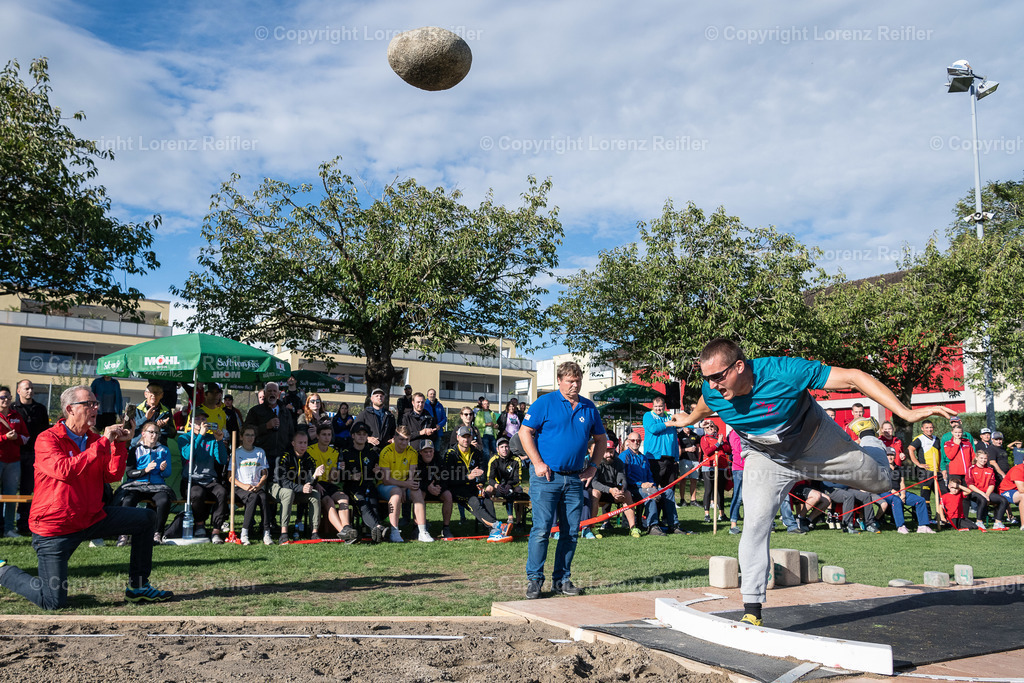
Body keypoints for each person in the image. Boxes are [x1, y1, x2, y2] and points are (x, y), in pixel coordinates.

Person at [668, 338, 954, 626]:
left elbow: (854, 377)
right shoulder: (713, 389)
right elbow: (705, 404)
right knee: (754, 523)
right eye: (707, 379)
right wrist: (688, 418)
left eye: (718, 377)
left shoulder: (784, 371)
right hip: (766, 457)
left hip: (818, 445)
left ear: (740, 366)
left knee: (881, 483)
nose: (713, 385)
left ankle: (869, 438)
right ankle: (752, 609)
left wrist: (905, 412)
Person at [0, 385, 172, 608]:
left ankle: (138, 587)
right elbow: (65, 471)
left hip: (90, 517)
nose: (95, 408)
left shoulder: (92, 439)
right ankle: (4, 572)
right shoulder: (47, 438)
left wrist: (119, 445)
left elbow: (111, 475)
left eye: (96, 403)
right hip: (55, 527)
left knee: (146, 518)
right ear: (70, 409)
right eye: (89, 404)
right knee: (52, 602)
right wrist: (103, 442)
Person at [520, 361, 606, 599]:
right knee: (541, 529)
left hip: (575, 479)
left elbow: (601, 439)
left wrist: (593, 468)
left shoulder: (589, 407)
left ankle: (562, 580)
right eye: (570, 380)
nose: (575, 384)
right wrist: (537, 462)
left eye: (578, 380)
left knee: (570, 532)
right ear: (559, 381)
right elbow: (524, 431)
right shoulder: (544, 403)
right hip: (546, 478)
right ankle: (535, 580)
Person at [441, 426, 510, 542]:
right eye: (463, 437)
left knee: (486, 497)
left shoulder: (476, 452)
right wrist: (468, 477)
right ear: (458, 438)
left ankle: (493, 532)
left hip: (473, 487)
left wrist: (480, 485)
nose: (466, 440)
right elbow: (448, 479)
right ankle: (497, 525)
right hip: (456, 489)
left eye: (468, 437)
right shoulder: (450, 454)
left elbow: (481, 472)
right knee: (474, 501)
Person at [117, 421, 174, 545]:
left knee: (164, 500)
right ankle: (124, 534)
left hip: (157, 485)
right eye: (151, 432)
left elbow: (167, 474)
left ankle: (157, 533)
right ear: (143, 434)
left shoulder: (164, 450)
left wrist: (163, 470)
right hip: (137, 484)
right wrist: (145, 470)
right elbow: (130, 473)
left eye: (157, 433)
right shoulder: (135, 449)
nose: (154, 435)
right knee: (127, 500)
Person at [177, 408, 229, 544]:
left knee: (222, 492)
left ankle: (216, 531)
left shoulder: (211, 438)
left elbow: (222, 460)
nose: (202, 421)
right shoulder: (184, 438)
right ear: (191, 422)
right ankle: (200, 524)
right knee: (197, 494)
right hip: (190, 480)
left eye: (204, 419)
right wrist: (199, 436)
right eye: (198, 419)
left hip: (209, 479)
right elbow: (188, 455)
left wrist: (219, 441)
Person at [377, 426, 433, 543]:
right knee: (396, 493)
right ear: (395, 438)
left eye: (407, 439)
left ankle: (422, 531)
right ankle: (394, 531)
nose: (404, 442)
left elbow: (411, 477)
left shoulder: (412, 452)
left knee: (416, 491)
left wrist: (405, 486)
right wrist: (403, 486)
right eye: (401, 439)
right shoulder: (386, 452)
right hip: (385, 486)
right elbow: (386, 480)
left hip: (404, 485)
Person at [338, 422, 388, 543]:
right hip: (352, 488)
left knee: (374, 506)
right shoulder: (345, 453)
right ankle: (379, 528)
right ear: (353, 436)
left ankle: (375, 534)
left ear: (367, 437)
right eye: (358, 434)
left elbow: (380, 475)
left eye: (364, 434)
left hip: (369, 486)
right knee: (363, 505)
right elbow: (338, 476)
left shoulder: (372, 453)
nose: (361, 436)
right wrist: (350, 476)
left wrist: (378, 472)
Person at [308, 423, 358, 541]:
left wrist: (339, 470)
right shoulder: (310, 450)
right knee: (328, 501)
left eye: (329, 435)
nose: (327, 437)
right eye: (324, 435)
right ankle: (342, 532)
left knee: (344, 498)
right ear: (318, 436)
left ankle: (347, 527)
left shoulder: (334, 452)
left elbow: (332, 479)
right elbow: (306, 474)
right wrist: (316, 484)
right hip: (314, 483)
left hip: (327, 484)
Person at [271, 431, 324, 543]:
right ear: (293, 443)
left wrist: (315, 477)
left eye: (305, 443)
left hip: (297, 490)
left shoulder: (308, 458)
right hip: (277, 487)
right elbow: (282, 482)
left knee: (315, 494)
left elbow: (310, 483)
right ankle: (284, 533)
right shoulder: (285, 457)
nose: (303, 445)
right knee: (288, 493)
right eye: (300, 443)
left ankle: (314, 532)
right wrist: (301, 488)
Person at [14, 380, 50, 535]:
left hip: (34, 454)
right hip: (14, 454)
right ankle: (6, 523)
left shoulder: (40, 409)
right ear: (18, 391)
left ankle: (24, 523)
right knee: (9, 489)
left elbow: (45, 431)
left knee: (28, 489)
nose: (30, 391)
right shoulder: (13, 409)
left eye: (31, 388)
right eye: (26, 388)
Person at [589, 433, 640, 538]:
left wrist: (621, 489)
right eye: (606, 452)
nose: (608, 455)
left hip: (614, 491)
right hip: (600, 491)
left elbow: (622, 479)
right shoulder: (596, 462)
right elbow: (594, 483)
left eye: (611, 452)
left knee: (627, 494)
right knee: (595, 493)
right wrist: (609, 490)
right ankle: (592, 527)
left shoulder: (618, 462)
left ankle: (632, 527)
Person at [230, 425, 273, 545]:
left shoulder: (260, 452)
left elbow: (265, 473)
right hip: (240, 487)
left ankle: (266, 533)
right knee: (252, 497)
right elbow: (230, 476)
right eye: (247, 435)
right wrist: (243, 486)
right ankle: (244, 533)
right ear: (241, 437)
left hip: (256, 486)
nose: (250, 437)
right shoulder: (237, 452)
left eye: (252, 435)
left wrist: (259, 485)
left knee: (263, 497)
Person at [641, 397, 680, 531]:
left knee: (669, 490)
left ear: (665, 406)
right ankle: (652, 520)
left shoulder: (669, 417)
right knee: (654, 490)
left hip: (670, 458)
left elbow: (680, 429)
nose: (659, 409)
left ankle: (668, 520)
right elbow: (653, 429)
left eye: (661, 406)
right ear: (653, 406)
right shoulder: (648, 415)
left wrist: (676, 457)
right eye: (656, 406)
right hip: (654, 459)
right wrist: (668, 424)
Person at [0, 387, 30, 537]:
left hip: (13, 462)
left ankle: (9, 529)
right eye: (2, 397)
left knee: (11, 496)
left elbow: (25, 437)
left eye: (7, 397)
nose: (5, 400)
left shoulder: (17, 416)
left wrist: (16, 438)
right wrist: (5, 438)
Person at [884, 446, 935, 534]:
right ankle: (901, 526)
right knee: (896, 500)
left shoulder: (899, 468)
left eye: (892, 455)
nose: (890, 457)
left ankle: (923, 526)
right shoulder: (882, 468)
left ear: (895, 456)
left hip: (899, 492)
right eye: (888, 455)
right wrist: (893, 492)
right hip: (886, 492)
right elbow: (882, 484)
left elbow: (902, 483)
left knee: (920, 500)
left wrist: (903, 494)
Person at [245, 381, 295, 467]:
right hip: (261, 456)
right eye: (269, 391)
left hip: (281, 456)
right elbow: (246, 432)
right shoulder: (255, 411)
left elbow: (291, 433)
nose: (272, 393)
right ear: (264, 394)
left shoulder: (286, 412)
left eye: (274, 391)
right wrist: (266, 426)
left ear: (278, 394)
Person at [487, 437, 530, 533]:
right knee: (488, 489)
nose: (504, 449)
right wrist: (497, 486)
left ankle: (518, 522)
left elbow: (518, 479)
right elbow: (490, 479)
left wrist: (509, 485)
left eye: (506, 446)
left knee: (519, 490)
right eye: (502, 447)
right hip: (498, 486)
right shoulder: (493, 459)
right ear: (497, 449)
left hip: (511, 486)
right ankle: (490, 521)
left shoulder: (516, 459)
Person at [967, 451, 1009, 530]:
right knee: (983, 500)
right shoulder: (971, 468)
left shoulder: (990, 469)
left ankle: (998, 522)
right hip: (975, 492)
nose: (983, 460)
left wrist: (987, 494)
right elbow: (970, 485)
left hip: (987, 492)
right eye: (981, 458)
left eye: (985, 458)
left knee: (1004, 500)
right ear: (976, 458)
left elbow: (992, 484)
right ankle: (979, 522)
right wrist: (983, 494)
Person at [699, 421, 730, 523]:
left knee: (720, 491)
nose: (710, 428)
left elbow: (728, 449)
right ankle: (707, 514)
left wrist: (721, 442)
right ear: (705, 430)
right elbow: (707, 451)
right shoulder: (704, 439)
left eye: (712, 426)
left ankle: (721, 514)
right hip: (709, 466)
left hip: (721, 466)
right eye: (707, 427)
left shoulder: (721, 437)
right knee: (709, 490)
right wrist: (717, 444)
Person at [942, 423, 975, 488]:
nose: (957, 434)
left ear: (962, 433)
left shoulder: (967, 443)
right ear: (952, 432)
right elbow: (950, 456)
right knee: (955, 490)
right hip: (955, 472)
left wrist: (973, 468)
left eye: (959, 432)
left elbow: (973, 456)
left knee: (967, 491)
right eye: (956, 432)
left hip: (967, 472)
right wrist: (956, 445)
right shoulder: (948, 443)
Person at [677, 425, 701, 506]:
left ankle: (693, 500)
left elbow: (698, 448)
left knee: (694, 480)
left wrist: (699, 459)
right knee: (683, 480)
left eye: (689, 426)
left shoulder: (695, 435)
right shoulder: (679, 435)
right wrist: (687, 449)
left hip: (694, 460)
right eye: (686, 426)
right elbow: (678, 449)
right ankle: (682, 499)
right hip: (684, 459)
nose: (687, 428)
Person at [996, 460, 1024, 528]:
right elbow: (1021, 490)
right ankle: (1023, 525)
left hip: (1016, 491)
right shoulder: (1018, 470)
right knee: (1023, 496)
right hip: (1005, 491)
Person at [728, 426, 745, 535]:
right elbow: (739, 449)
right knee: (738, 497)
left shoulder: (746, 432)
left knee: (750, 497)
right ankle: (733, 524)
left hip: (750, 468)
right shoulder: (734, 433)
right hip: (739, 468)